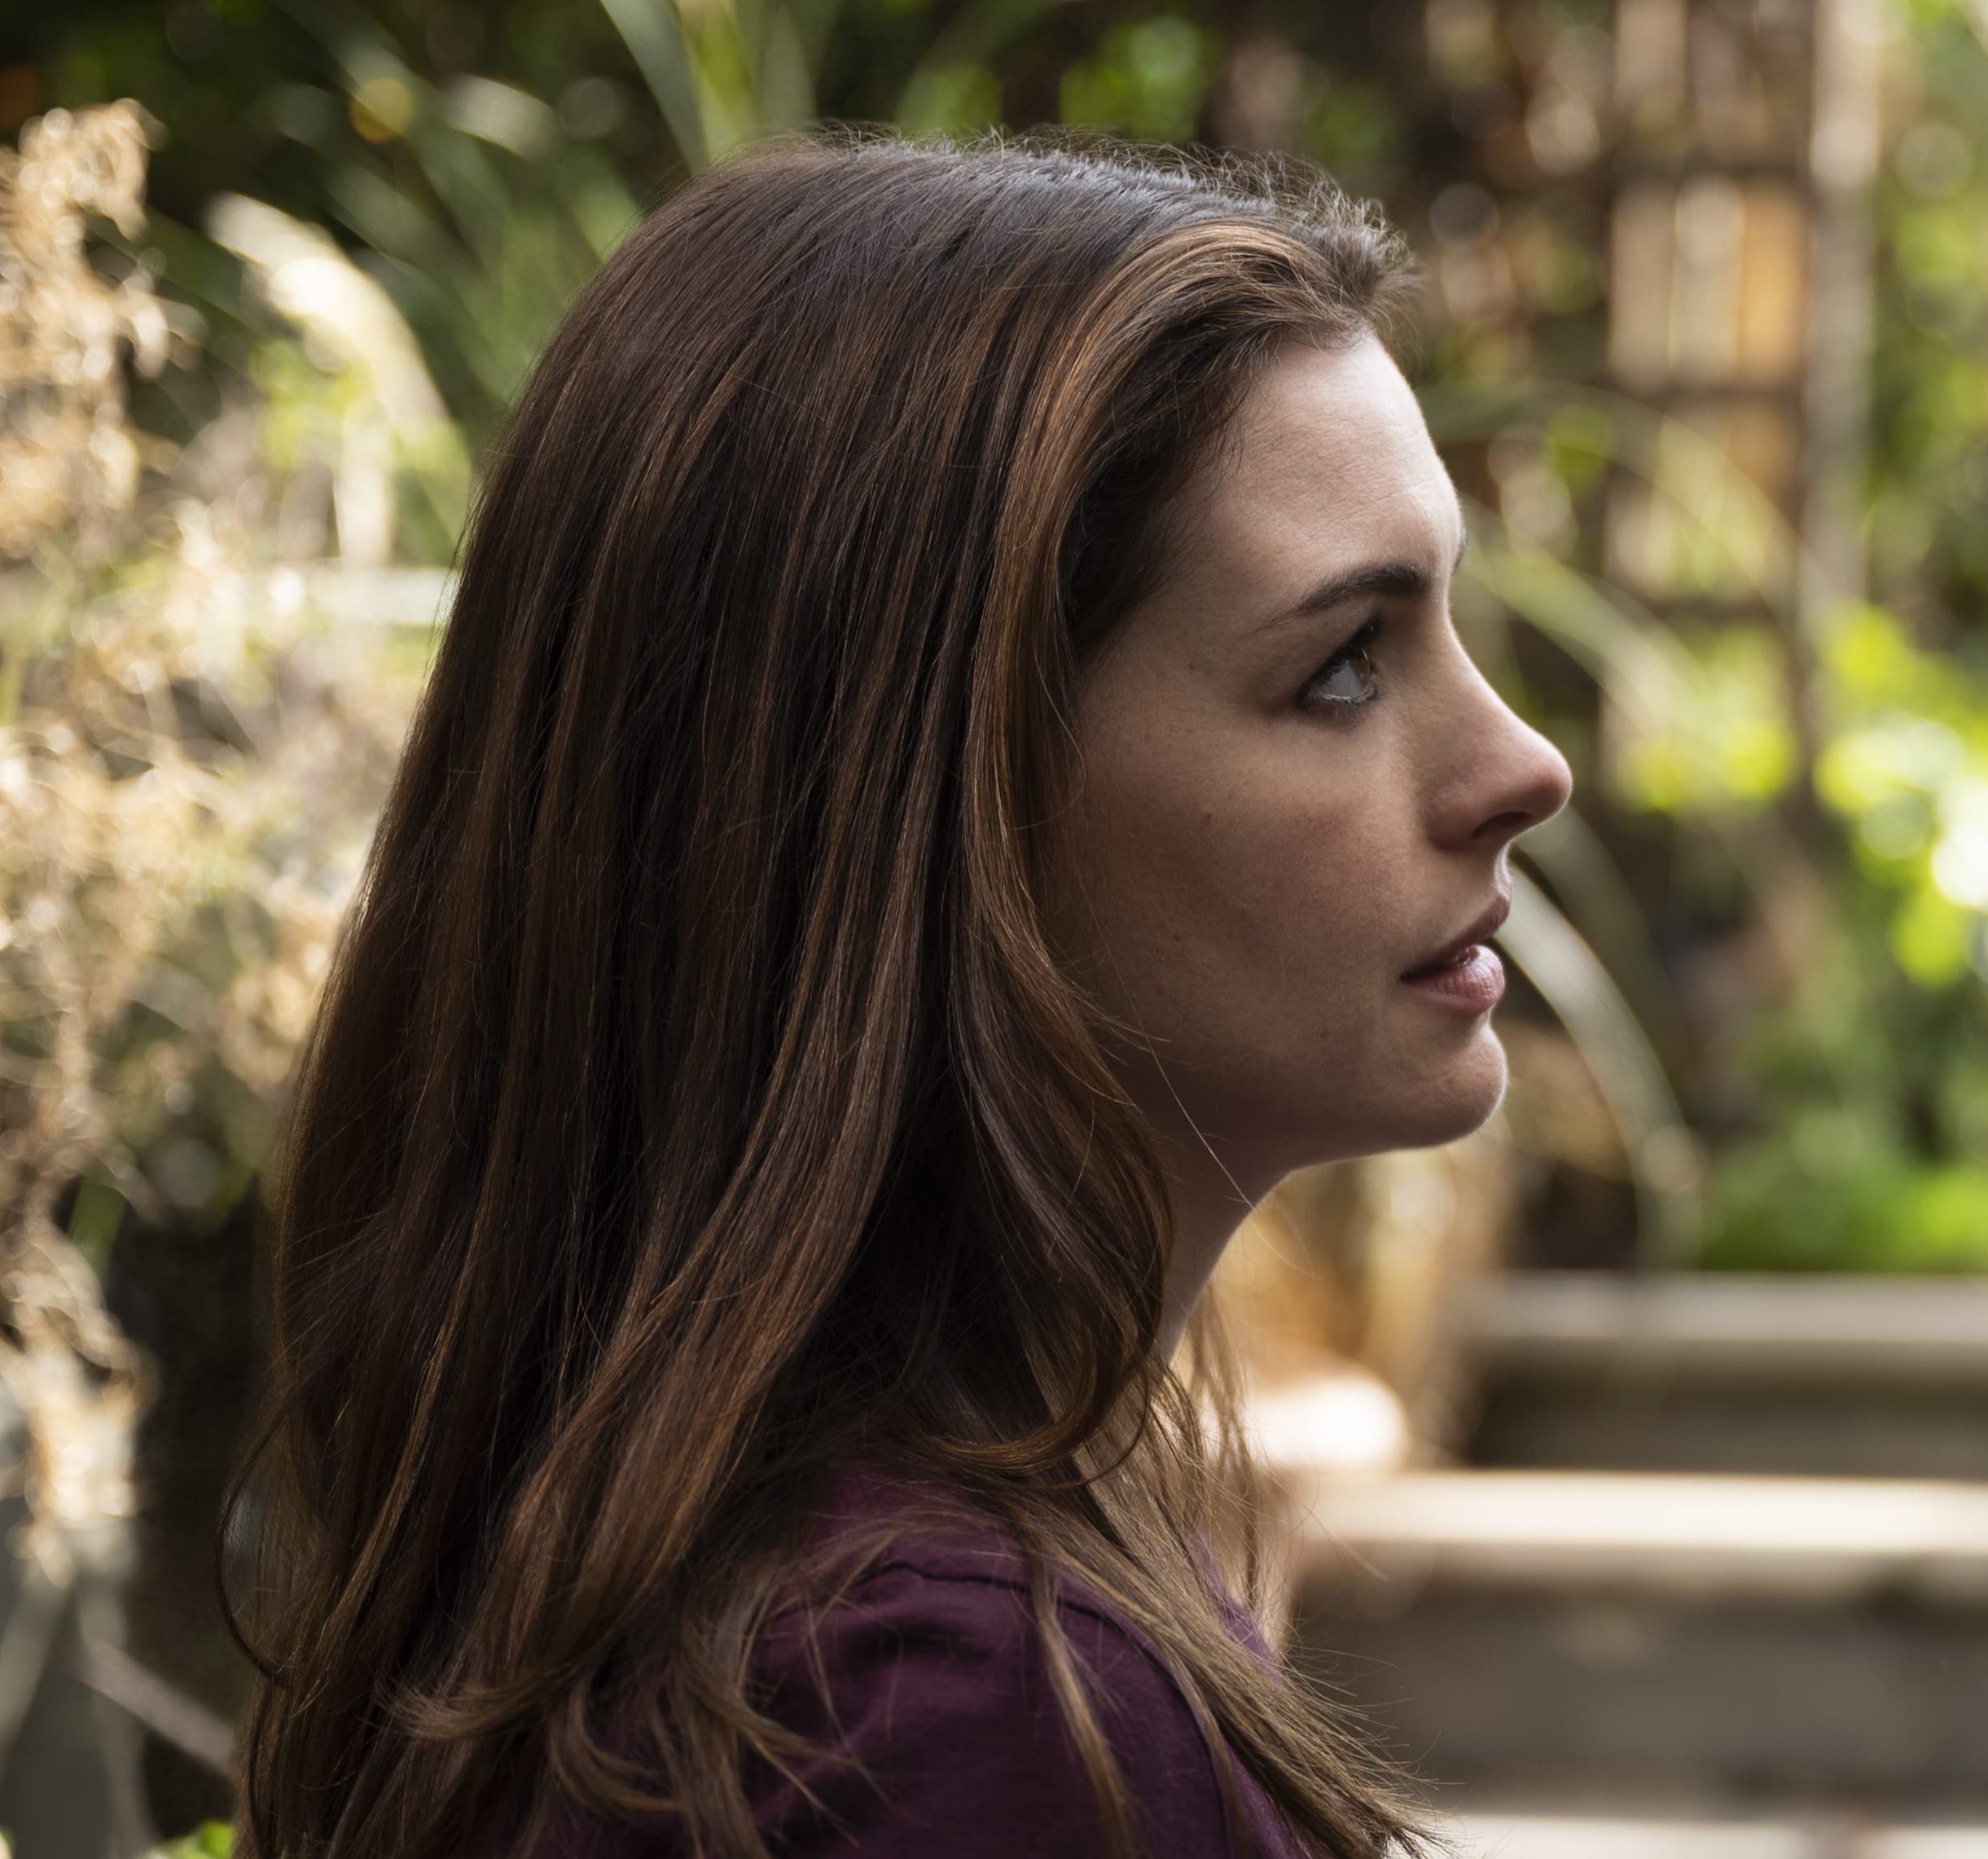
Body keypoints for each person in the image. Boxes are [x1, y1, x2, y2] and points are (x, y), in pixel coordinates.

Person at [229, 139, 1571, 1857]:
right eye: (1341, 668)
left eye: (1446, 625)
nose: (1519, 764)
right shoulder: (955, 1715)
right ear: (938, 811)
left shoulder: (737, 1600)